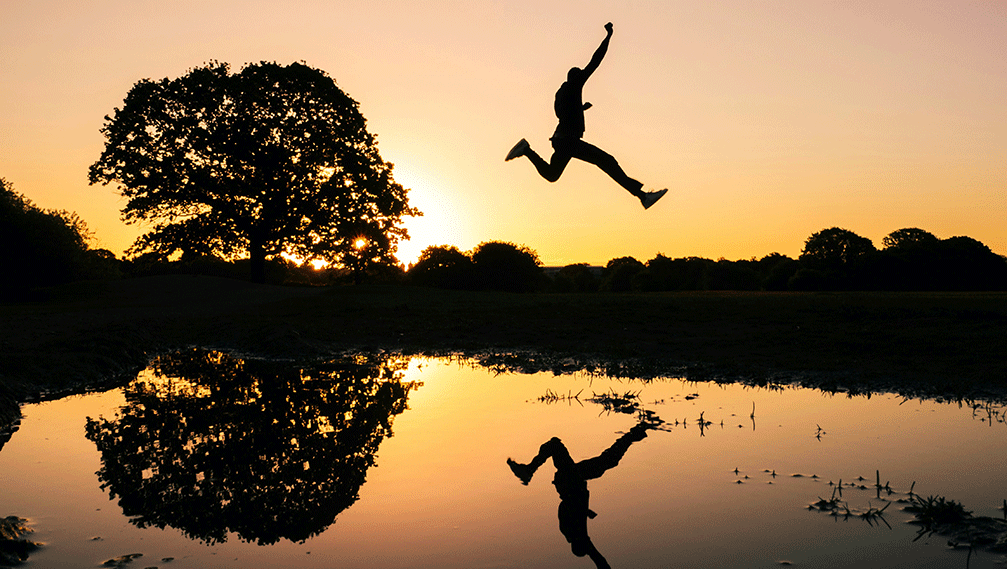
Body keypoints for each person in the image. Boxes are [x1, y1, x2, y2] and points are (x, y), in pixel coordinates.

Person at [506, 22, 667, 210]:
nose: (583, 76)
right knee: (607, 161)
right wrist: (608, 37)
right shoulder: (575, 84)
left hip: (561, 140)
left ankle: (526, 150)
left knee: (552, 175)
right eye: (580, 75)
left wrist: (580, 108)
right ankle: (643, 197)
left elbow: (561, 114)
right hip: (568, 141)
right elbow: (595, 61)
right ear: (575, 77)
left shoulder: (561, 92)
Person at [506, 422, 653, 568]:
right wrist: (585, 510)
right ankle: (635, 434)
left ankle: (529, 470)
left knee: (557, 445)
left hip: (570, 480)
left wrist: (582, 509)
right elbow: (599, 560)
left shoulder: (576, 533)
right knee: (607, 461)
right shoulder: (574, 533)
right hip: (572, 480)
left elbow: (599, 560)